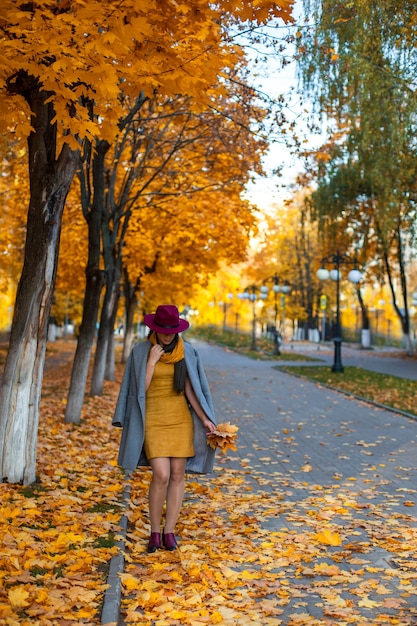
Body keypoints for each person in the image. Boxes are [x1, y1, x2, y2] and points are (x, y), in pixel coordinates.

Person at [112, 304, 217, 552]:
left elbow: (192, 390)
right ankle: (154, 531)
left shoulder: (186, 352)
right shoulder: (141, 352)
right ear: (154, 328)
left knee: (178, 474)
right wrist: (151, 361)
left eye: (171, 331)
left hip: (180, 418)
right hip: (153, 418)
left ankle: (169, 532)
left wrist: (204, 419)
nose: (168, 335)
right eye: (163, 330)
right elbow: (139, 390)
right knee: (161, 474)